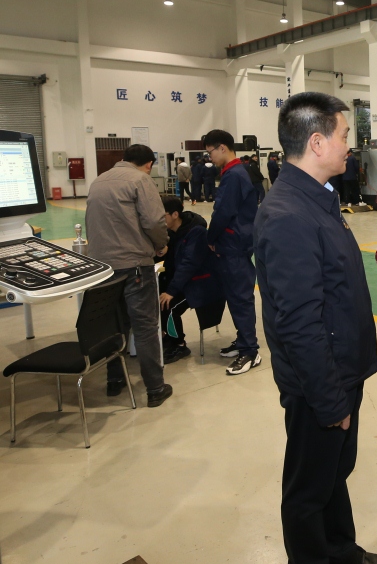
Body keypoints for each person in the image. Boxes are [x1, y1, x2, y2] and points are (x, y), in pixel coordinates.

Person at [255, 92, 377, 564]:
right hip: (320, 380)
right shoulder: (289, 214)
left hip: (340, 370)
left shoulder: (318, 198)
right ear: (316, 142)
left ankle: (339, 551)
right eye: (343, 136)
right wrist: (330, 397)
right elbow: (298, 322)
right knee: (310, 483)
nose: (348, 147)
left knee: (336, 471)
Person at [84, 144, 173, 408]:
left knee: (115, 325)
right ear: (148, 164)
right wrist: (161, 245)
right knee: (144, 327)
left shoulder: (99, 181)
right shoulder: (140, 180)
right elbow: (154, 221)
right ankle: (155, 388)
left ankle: (115, 380)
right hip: (134, 265)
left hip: (103, 268)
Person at [203, 130, 261, 375]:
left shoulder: (234, 175)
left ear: (222, 148)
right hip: (233, 243)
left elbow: (223, 212)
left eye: (211, 152)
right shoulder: (233, 172)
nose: (210, 157)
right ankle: (243, 340)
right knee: (235, 296)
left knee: (240, 297)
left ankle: (250, 351)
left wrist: (210, 237)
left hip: (234, 244)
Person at [158, 195, 222, 364]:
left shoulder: (196, 232)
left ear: (175, 214)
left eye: (162, 215)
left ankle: (179, 344)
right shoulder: (171, 233)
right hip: (183, 280)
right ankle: (167, 335)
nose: (158, 219)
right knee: (155, 298)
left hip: (200, 282)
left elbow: (189, 264)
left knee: (168, 306)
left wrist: (171, 291)